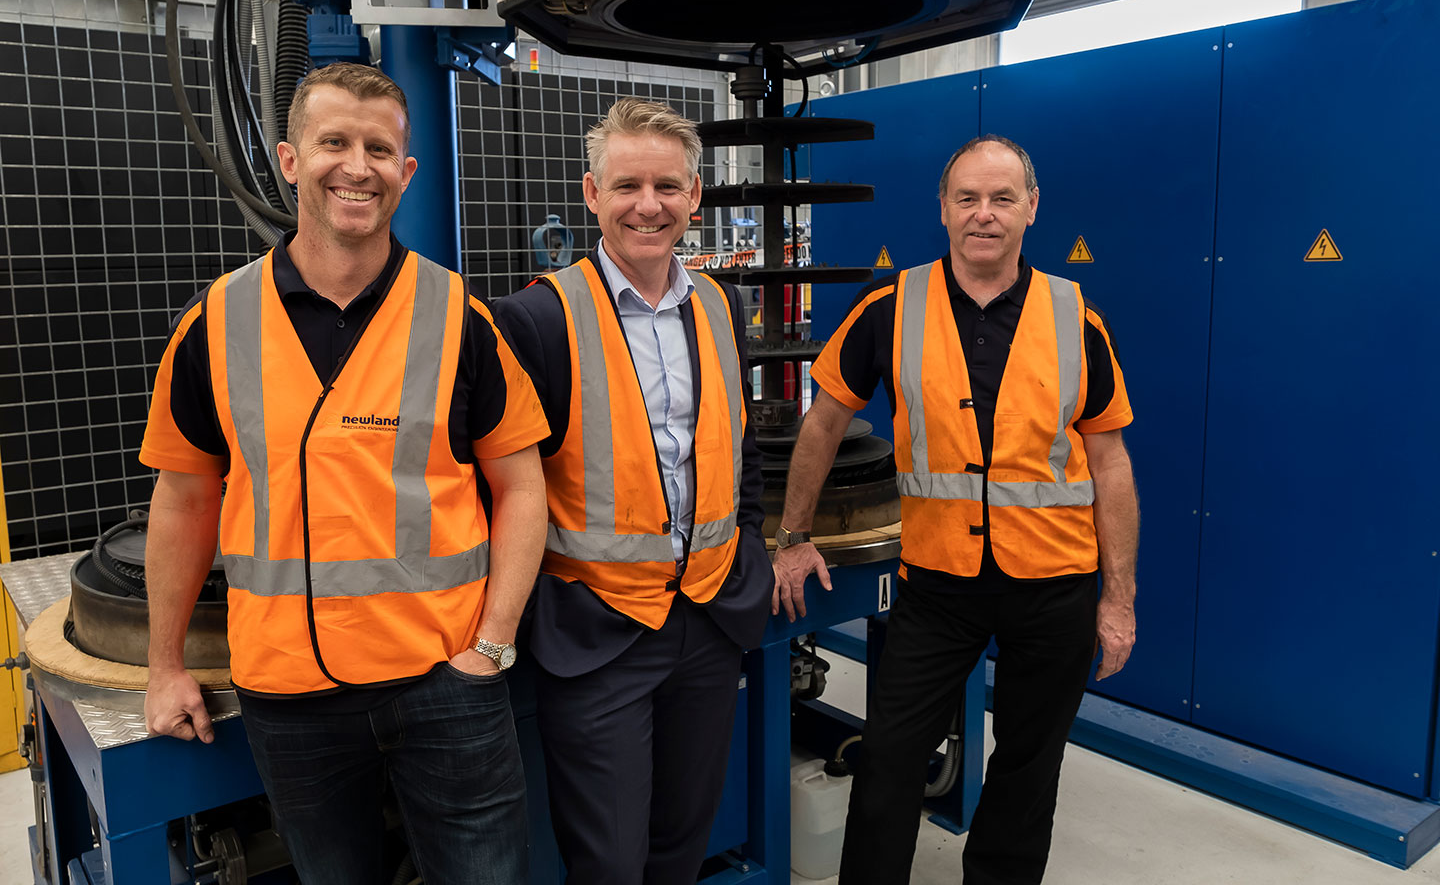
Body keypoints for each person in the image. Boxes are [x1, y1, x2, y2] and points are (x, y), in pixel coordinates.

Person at [139, 62, 549, 885]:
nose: (357, 167)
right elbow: (183, 498)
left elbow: (523, 487)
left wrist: (494, 645)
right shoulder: (216, 323)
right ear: (291, 160)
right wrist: (164, 665)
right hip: (290, 697)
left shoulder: (461, 319)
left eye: (379, 149)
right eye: (334, 143)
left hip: (447, 687)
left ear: (407, 170)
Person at [772, 135, 1139, 885]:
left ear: (1031, 209)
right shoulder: (890, 308)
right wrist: (792, 537)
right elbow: (824, 422)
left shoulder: (1077, 318)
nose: (984, 214)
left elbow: (1111, 464)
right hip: (937, 587)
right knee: (889, 758)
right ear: (942, 208)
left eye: (1003, 198)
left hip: (1055, 587)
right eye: (967, 198)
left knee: (1028, 766)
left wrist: (1119, 599)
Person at [494, 97, 772, 885]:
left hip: (709, 620)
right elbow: (501, 487)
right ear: (592, 193)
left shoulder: (721, 304)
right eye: (626, 186)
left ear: (694, 196)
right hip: (597, 634)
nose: (648, 206)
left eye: (667, 186)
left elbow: (739, 445)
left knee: (683, 845)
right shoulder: (536, 319)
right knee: (610, 864)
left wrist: (752, 548)